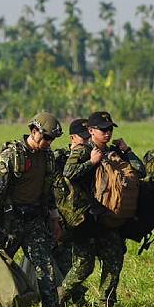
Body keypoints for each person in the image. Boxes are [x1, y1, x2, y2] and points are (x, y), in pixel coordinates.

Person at [0, 112, 64, 307]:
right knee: (0, 263)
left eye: (52, 139)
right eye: (47, 137)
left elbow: (49, 191)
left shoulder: (48, 157)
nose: (49, 142)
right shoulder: (13, 154)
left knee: (44, 265)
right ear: (34, 132)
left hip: (34, 219)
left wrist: (54, 219)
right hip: (10, 219)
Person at [58, 111, 146, 307]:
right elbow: (68, 172)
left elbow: (140, 171)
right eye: (103, 130)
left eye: (110, 129)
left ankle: (106, 303)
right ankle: (57, 299)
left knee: (114, 258)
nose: (107, 133)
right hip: (87, 217)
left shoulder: (114, 151)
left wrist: (128, 150)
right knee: (84, 266)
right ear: (90, 131)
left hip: (108, 217)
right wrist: (91, 162)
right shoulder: (82, 150)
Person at [51, 118, 90, 277]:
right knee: (60, 256)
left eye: (89, 137)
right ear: (72, 138)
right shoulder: (59, 157)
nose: (86, 141)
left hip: (81, 216)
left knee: (80, 260)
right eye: (83, 138)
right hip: (61, 215)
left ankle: (74, 296)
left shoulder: (91, 156)